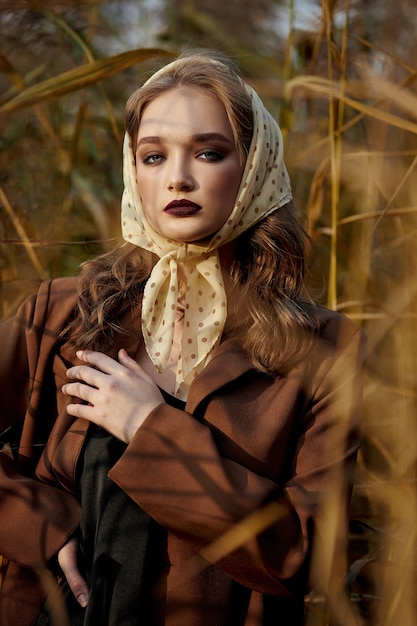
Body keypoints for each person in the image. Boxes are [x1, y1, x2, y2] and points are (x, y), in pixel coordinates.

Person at [0, 49, 365, 626]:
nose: (177, 177)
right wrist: (35, 523)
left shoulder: (323, 345)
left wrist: (150, 431)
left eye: (209, 152)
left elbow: (308, 554)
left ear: (254, 166)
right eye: (153, 156)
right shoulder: (63, 310)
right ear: (132, 170)